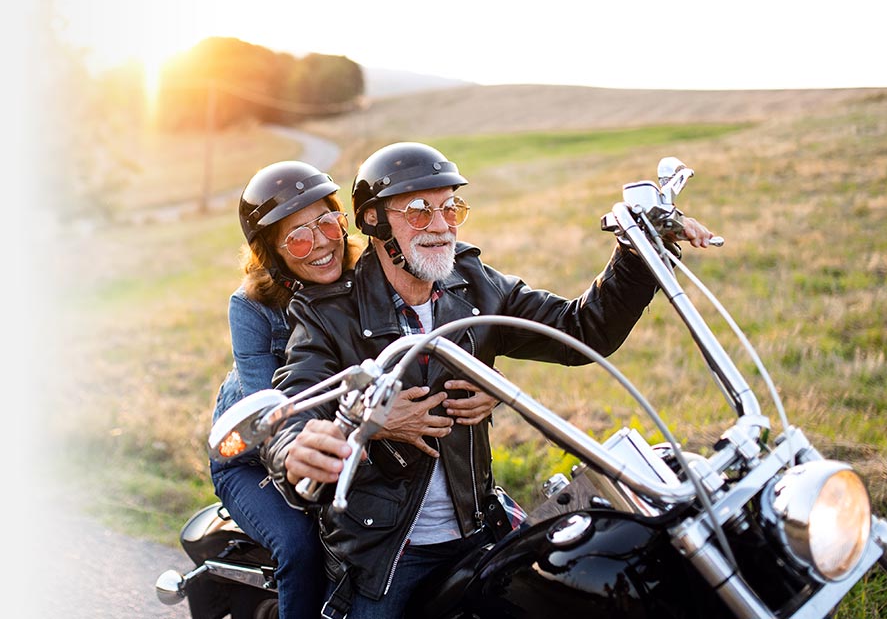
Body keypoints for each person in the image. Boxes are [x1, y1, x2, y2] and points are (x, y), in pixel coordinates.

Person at [262, 142, 715, 618]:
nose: (440, 225)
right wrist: (298, 446)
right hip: (389, 552)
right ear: (374, 221)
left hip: (479, 527)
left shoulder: (474, 284)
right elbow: (296, 402)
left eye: (450, 207)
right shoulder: (329, 313)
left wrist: (638, 250)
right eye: (418, 211)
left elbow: (583, 330)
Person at [210, 159, 502, 618]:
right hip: (255, 455)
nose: (321, 243)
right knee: (299, 547)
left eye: (328, 222)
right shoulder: (250, 306)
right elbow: (273, 411)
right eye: (299, 237)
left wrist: (493, 383)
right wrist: (377, 422)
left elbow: (423, 343)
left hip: (341, 442)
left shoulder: (368, 273)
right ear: (271, 251)